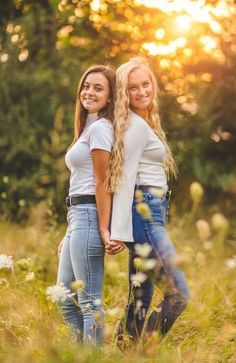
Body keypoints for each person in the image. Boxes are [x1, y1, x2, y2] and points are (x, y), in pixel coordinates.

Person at [108, 57, 190, 343]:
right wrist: (117, 231)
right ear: (122, 92)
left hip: (150, 211)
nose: (142, 92)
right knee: (178, 293)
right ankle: (143, 350)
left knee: (140, 297)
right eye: (133, 88)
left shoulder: (142, 121)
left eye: (146, 84)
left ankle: (123, 351)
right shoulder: (135, 126)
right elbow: (124, 177)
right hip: (143, 212)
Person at [57, 65, 123, 346]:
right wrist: (68, 231)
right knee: (64, 298)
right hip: (77, 217)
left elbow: (101, 183)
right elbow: (82, 183)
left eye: (98, 88)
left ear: (110, 97)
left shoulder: (100, 129)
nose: (89, 92)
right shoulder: (88, 127)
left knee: (88, 302)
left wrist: (105, 228)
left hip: (88, 216)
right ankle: (79, 354)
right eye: (86, 86)